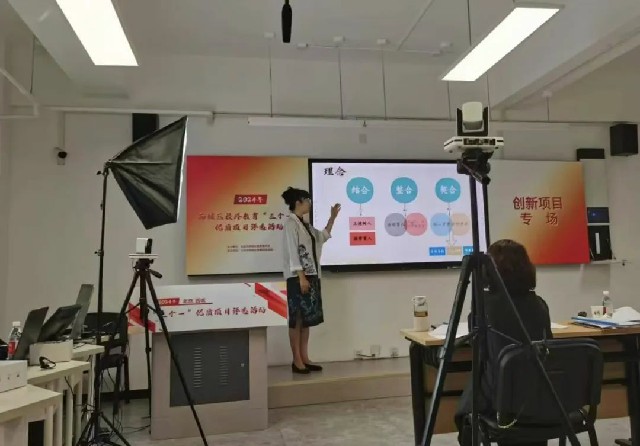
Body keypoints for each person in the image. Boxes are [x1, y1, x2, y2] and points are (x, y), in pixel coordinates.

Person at [455, 239, 552, 446]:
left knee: (474, 389)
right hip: (540, 401)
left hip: (502, 402)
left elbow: (479, 351)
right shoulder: (540, 305)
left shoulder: (485, 307)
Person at [281, 187, 340, 374]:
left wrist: (332, 218)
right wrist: (301, 277)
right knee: (297, 319)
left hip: (311, 276)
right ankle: (296, 360)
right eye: (307, 200)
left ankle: (305, 357)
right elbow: (293, 252)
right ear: (298, 202)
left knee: (306, 320)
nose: (310, 204)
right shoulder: (291, 224)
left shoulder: (306, 225)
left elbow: (322, 237)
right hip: (298, 278)